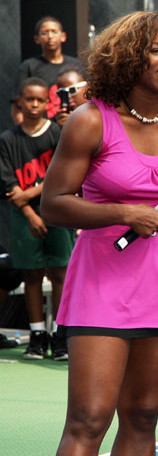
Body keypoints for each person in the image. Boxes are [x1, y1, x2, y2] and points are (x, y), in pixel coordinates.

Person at [39, 12, 158, 454]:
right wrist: (121, 211)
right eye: (156, 50)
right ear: (128, 57)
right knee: (88, 420)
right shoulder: (90, 121)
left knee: (142, 418)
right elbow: (54, 202)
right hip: (100, 285)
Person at [0, 77, 75, 361]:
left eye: (39, 100)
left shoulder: (58, 134)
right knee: (31, 276)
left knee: (59, 274)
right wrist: (30, 213)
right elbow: (8, 183)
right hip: (23, 218)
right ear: (19, 101)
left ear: (48, 102)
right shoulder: (8, 139)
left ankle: (59, 335)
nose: (34, 105)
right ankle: (36, 336)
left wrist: (30, 193)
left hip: (58, 211)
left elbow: (62, 174)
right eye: (28, 99)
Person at [17, 16, 81, 120]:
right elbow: (17, 105)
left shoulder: (77, 65)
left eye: (54, 32)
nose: (50, 36)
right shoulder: (28, 66)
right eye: (44, 33)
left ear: (63, 36)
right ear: (37, 39)